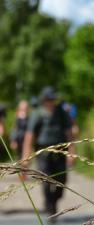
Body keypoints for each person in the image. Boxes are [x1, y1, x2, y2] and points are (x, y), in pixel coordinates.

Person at [22, 86, 75, 218]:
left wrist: (72, 152)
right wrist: (26, 157)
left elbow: (69, 133)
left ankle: (55, 200)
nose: (51, 101)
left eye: (53, 99)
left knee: (62, 180)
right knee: (45, 179)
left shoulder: (61, 113)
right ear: (44, 100)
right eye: (48, 99)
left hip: (61, 151)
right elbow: (29, 136)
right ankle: (50, 206)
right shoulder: (37, 114)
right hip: (43, 152)